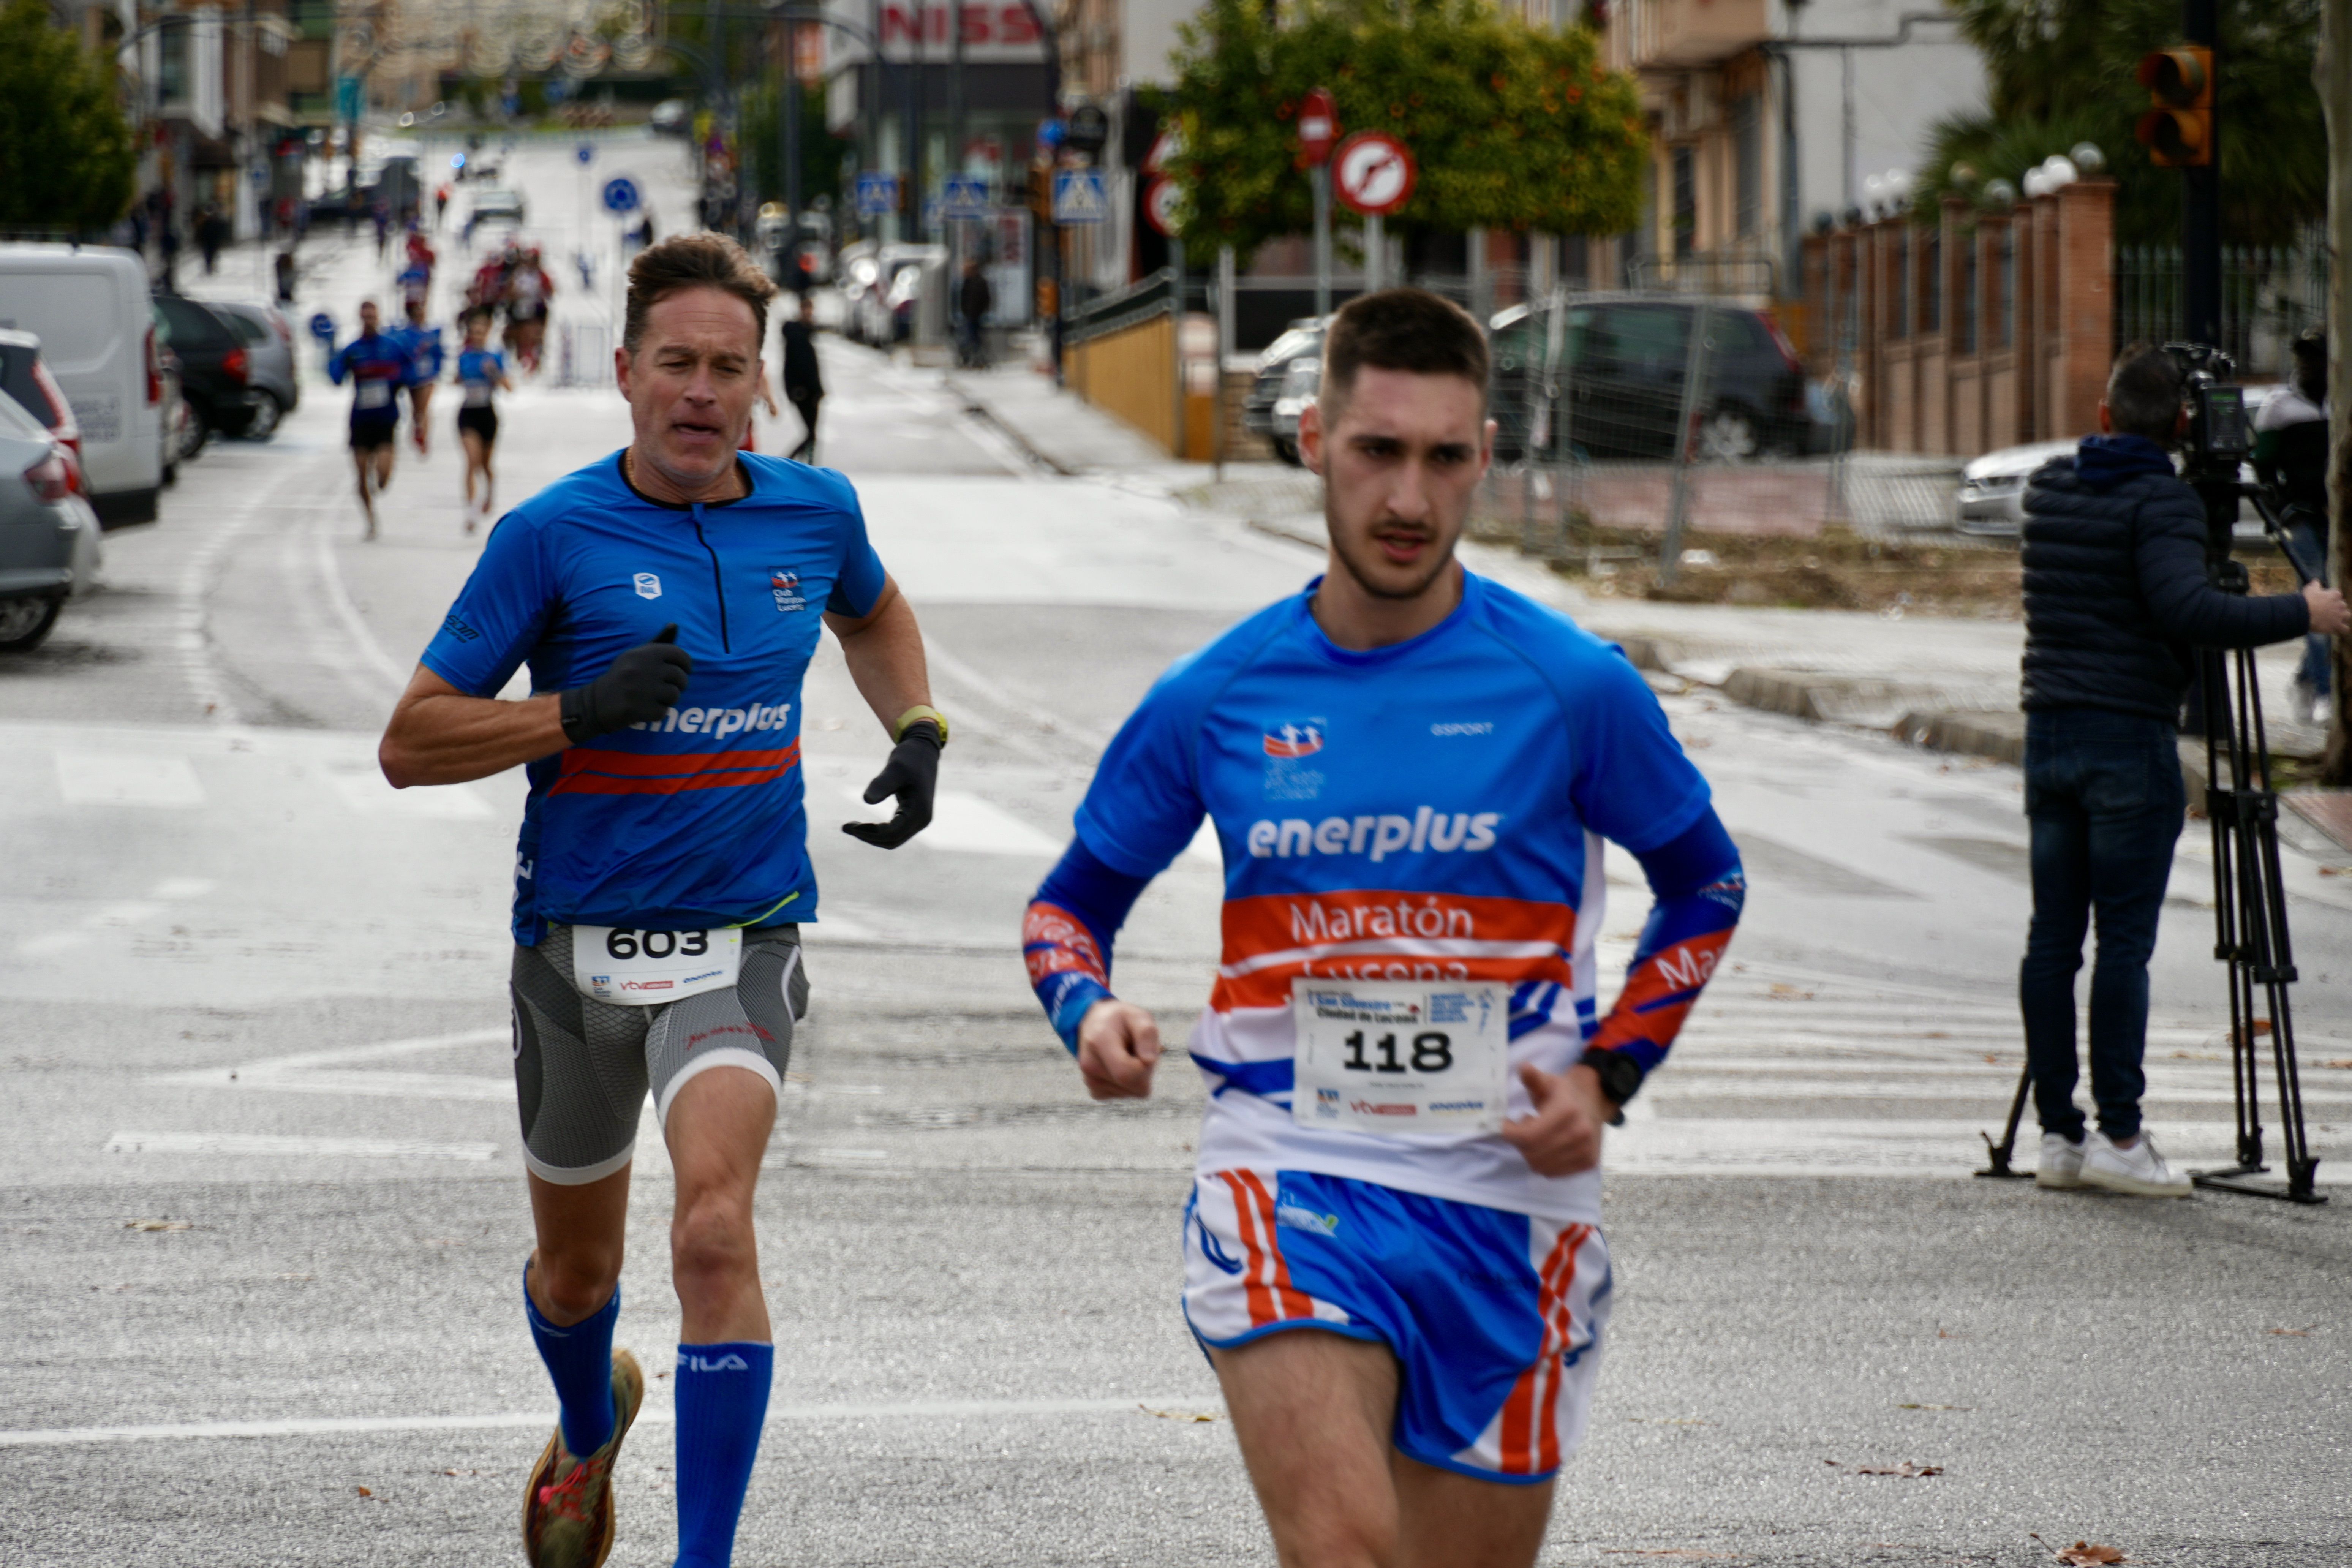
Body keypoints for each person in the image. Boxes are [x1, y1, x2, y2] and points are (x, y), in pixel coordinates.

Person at [1019, 289, 1745, 1568]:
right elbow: (1068, 908)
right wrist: (1089, 1006)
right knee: (1344, 1548)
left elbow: (1706, 886)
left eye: (1445, 456)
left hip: (1509, 1199)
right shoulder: (1217, 696)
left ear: (1486, 454)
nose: (1409, 496)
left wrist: (1610, 1073)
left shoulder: (1572, 686)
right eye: (1377, 450)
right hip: (1286, 1168)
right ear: (1313, 440)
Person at [376, 232, 947, 1568]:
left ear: (761, 384)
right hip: (572, 951)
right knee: (576, 1276)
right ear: (628, 370)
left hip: (742, 937)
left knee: (712, 1229)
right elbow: (410, 741)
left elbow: (873, 612)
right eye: (677, 363)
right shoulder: (550, 535)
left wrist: (917, 726)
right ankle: (589, 1420)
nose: (702, 391)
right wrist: (574, 709)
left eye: (728, 368)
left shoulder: (816, 511)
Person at [2018, 343, 2350, 1198]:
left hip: (2049, 734)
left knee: (2053, 939)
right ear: (2183, 425)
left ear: (2104, 416)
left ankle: (2058, 1136)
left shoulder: (2050, 488)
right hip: (2126, 740)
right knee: (2122, 943)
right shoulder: (2161, 501)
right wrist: (2303, 610)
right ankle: (2121, 1136)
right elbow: (2190, 609)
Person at [2253, 329, 2333, 723]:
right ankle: (2326, 691)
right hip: (2301, 516)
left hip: (2339, 517)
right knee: (2317, 592)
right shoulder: (2279, 406)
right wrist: (2282, 509)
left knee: (2338, 600)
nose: (2308, 365)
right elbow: (2263, 465)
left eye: (2316, 357)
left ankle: (2306, 676)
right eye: (2303, 357)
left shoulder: (2341, 400)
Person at [326, 299, 410, 541]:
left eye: (373, 317)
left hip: (386, 419)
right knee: (361, 474)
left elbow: (411, 375)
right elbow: (336, 378)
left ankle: (381, 480)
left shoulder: (392, 347)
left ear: (379, 318)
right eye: (366, 317)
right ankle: (371, 519)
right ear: (360, 319)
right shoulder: (353, 350)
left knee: (382, 476)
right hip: (361, 420)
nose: (370, 321)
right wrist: (333, 353)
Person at [452, 310, 512, 530]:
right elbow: (456, 380)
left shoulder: (495, 357)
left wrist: (493, 373)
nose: (477, 336)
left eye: (481, 332)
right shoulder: (463, 357)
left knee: (486, 464)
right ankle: (471, 511)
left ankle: (489, 494)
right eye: (474, 333)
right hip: (468, 413)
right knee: (471, 461)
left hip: (487, 413)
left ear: (487, 333)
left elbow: (509, 388)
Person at [393, 296, 447, 458]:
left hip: (428, 376)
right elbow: (403, 353)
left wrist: (437, 371)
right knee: (417, 409)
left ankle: (423, 435)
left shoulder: (431, 334)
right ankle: (418, 429)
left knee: (424, 408)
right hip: (413, 376)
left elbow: (439, 354)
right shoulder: (406, 334)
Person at [779, 292, 822, 464]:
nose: (809, 313)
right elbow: (799, 365)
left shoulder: (806, 332)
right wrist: (795, 388)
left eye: (811, 310)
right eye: (807, 309)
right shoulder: (797, 334)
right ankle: (790, 462)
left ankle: (809, 464)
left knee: (812, 433)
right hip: (802, 392)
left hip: (812, 392)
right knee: (810, 433)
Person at [955, 259, 992, 369]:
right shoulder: (967, 282)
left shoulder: (980, 283)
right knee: (968, 338)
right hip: (968, 315)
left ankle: (977, 360)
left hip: (976, 315)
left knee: (973, 339)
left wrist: (979, 312)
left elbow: (985, 299)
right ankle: (970, 360)